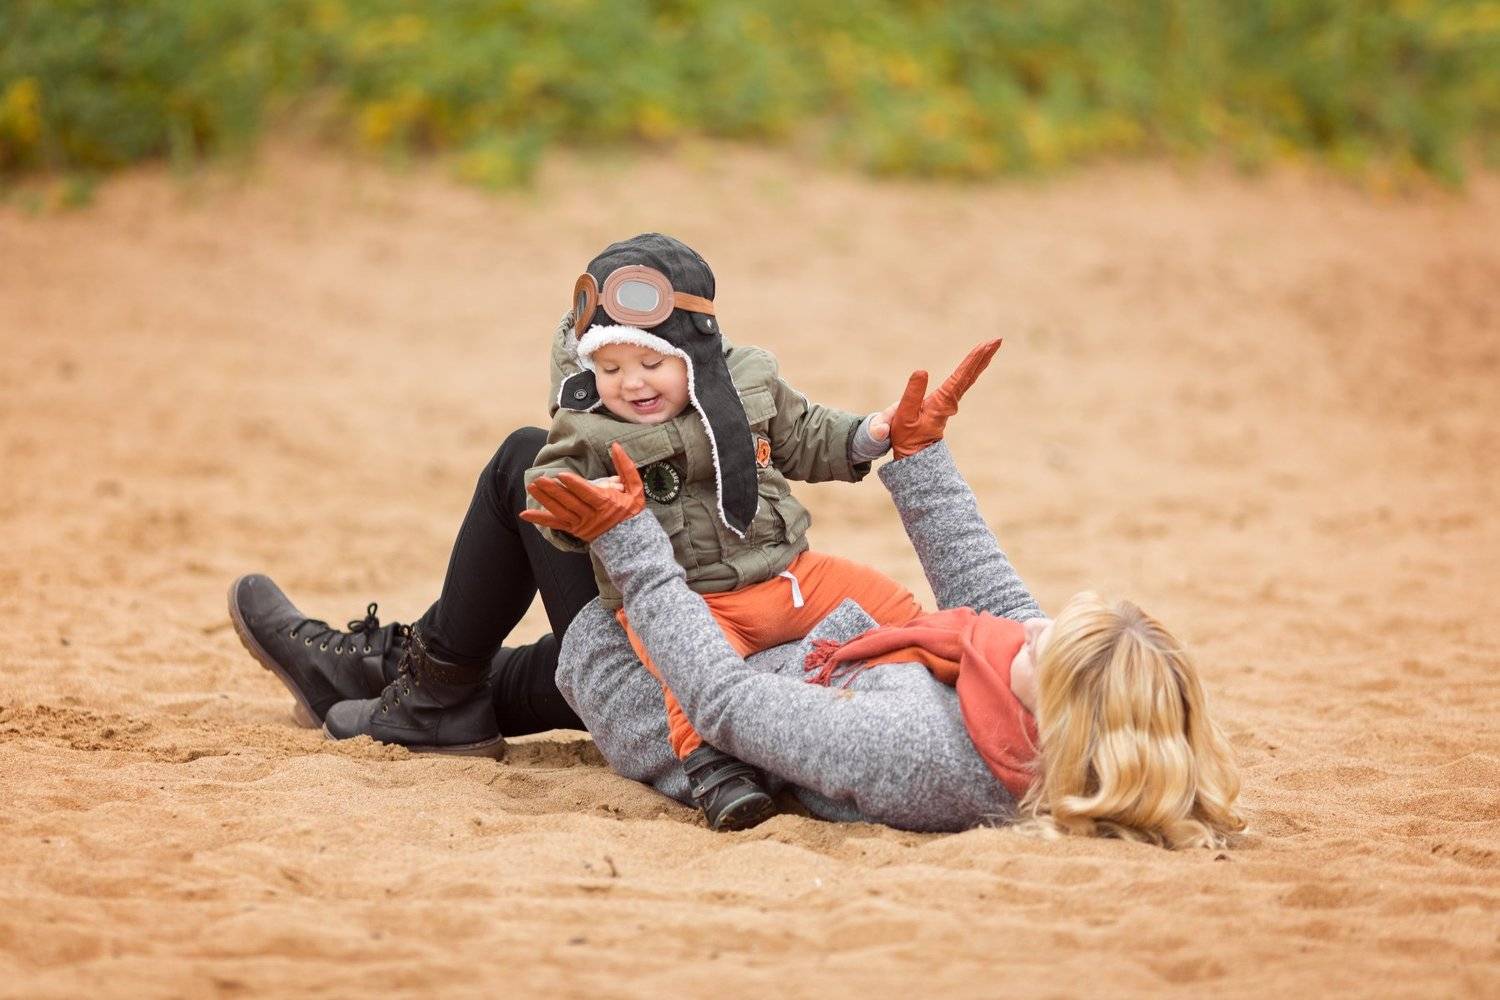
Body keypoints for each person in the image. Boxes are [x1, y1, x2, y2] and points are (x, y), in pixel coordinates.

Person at [528, 345, 1247, 848]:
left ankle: (460, 681)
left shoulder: (916, 749)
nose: (1029, 629)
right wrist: (919, 453)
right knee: (509, 681)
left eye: (1042, 648)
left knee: (524, 465)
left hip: (664, 690)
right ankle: (459, 687)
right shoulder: (1026, 715)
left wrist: (630, 541)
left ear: (1063, 713)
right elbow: (995, 599)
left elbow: (722, 701)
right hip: (761, 633)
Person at [517, 232, 964, 830]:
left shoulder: (749, 381)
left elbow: (805, 434)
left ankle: (961, 676)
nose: (632, 384)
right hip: (693, 603)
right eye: (610, 368)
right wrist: (579, 508)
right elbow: (549, 483)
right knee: (686, 674)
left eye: (652, 363)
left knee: (893, 603)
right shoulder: (588, 428)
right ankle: (713, 771)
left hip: (789, 576)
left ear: (696, 353)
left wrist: (872, 434)